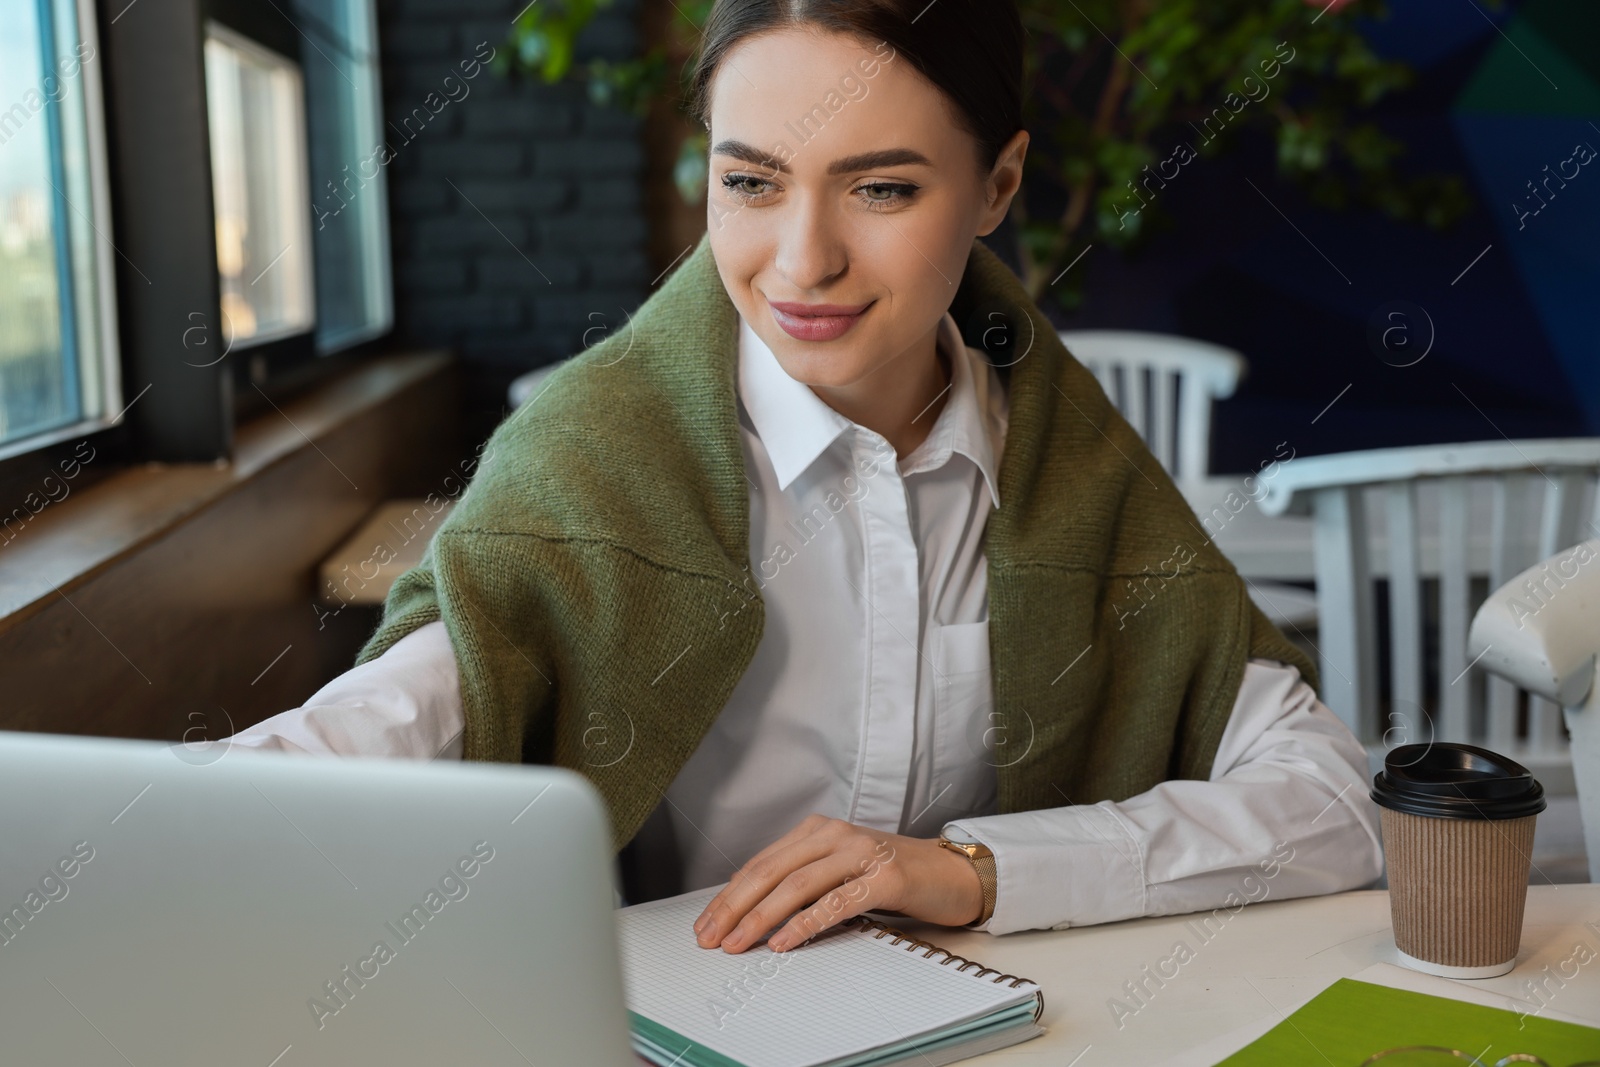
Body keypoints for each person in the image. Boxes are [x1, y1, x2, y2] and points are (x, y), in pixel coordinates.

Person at [226, 0, 1383, 955]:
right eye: (751, 183)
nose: (802, 260)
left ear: (996, 186)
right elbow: (413, 706)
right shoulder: (597, 453)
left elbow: (1333, 803)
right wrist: (171, 822)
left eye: (881, 189)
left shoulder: (1073, 465)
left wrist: (971, 871)